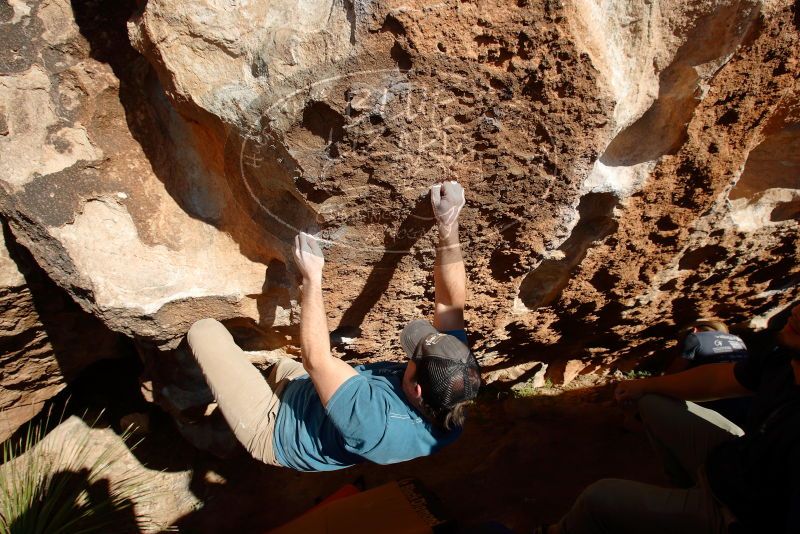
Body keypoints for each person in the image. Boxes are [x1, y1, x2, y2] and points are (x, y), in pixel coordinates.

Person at [184, 180, 481, 471]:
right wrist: (448, 225)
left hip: (276, 430)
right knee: (278, 370)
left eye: (413, 358)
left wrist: (312, 279)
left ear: (416, 390)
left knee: (205, 332)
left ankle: (213, 434)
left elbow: (316, 360)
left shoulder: (376, 423)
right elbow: (449, 305)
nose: (410, 354)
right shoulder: (453, 374)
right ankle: (232, 399)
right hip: (306, 389)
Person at [545, 302, 800, 534]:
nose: (796, 311)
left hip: (742, 512)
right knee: (652, 399)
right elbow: (720, 378)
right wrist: (645, 385)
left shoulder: (694, 339)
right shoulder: (774, 354)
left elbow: (676, 369)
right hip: (738, 453)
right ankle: (682, 490)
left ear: (696, 329)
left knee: (598, 499)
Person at [665, 319, 750, 425]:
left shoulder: (694, 337)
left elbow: (672, 375)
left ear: (694, 330)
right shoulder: (738, 340)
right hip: (749, 402)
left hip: (717, 405)